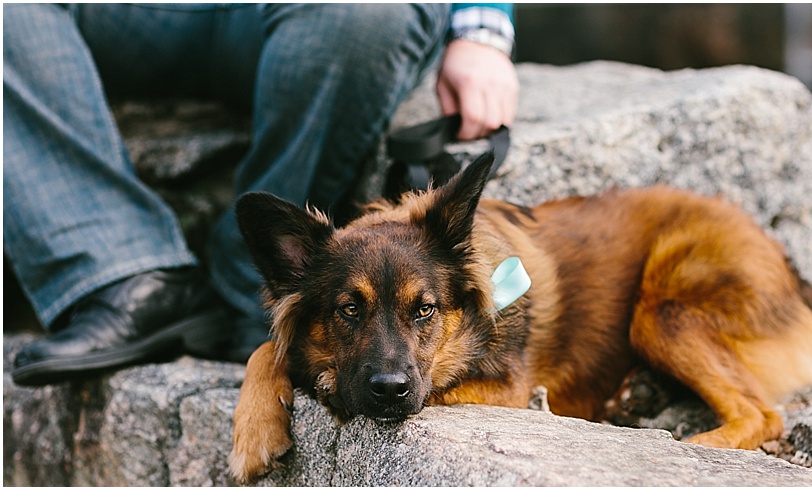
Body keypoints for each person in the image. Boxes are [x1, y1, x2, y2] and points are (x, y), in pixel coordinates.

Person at [4, 3, 519, 386]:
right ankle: (127, 277)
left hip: (317, 16)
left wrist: (482, 28)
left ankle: (252, 300)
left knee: (366, 13)